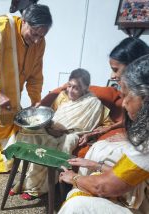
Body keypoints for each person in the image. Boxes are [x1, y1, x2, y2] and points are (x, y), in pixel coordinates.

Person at [58, 54, 149, 214]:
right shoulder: (62, 98)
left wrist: (74, 178)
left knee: (76, 206)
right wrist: (95, 165)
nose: (124, 103)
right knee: (99, 149)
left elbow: (104, 186)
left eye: (127, 95)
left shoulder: (145, 142)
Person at [0, 4, 53, 174]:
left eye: (42, 36)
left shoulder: (40, 42)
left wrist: (35, 99)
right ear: (24, 21)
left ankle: (6, 162)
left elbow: (35, 74)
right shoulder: (1, 31)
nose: (37, 40)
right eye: (35, 34)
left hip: (14, 93)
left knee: (11, 127)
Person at [11, 69, 113, 200]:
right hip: (52, 129)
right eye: (69, 85)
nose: (70, 90)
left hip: (72, 134)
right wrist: (49, 127)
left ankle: (40, 189)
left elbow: (106, 125)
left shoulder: (94, 104)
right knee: (30, 135)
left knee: (65, 142)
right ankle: (27, 182)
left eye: (76, 88)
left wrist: (89, 135)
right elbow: (52, 115)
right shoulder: (63, 96)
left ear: (85, 88)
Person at [77, 37, 149, 146]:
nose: (112, 76)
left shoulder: (142, 91)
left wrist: (129, 138)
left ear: (133, 65)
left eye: (115, 70)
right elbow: (135, 117)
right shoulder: (130, 88)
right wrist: (109, 128)